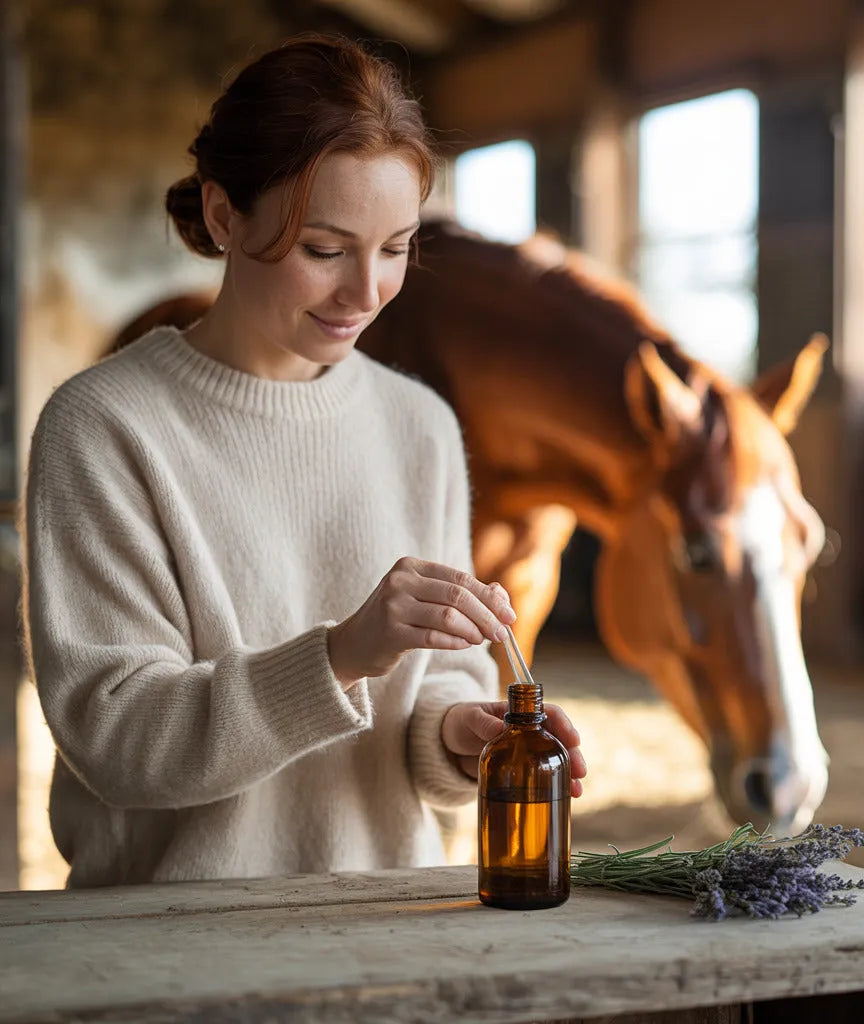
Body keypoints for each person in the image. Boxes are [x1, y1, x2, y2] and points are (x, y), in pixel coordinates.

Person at [22, 33, 586, 888]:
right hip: (163, 952)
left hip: (387, 934)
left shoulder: (421, 426)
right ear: (223, 215)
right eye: (325, 249)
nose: (366, 293)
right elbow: (118, 740)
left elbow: (440, 686)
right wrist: (341, 655)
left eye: (395, 247)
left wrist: (460, 734)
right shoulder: (104, 427)